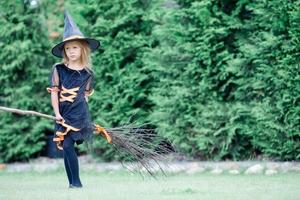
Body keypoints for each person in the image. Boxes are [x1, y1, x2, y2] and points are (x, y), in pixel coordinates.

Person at [47, 11, 100, 189]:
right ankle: (73, 183)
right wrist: (56, 113)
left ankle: (75, 183)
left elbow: (85, 97)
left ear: (83, 49)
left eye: (75, 47)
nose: (71, 51)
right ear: (64, 51)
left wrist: (86, 121)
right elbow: (54, 92)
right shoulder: (58, 69)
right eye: (68, 48)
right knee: (66, 145)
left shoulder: (88, 73)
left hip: (79, 114)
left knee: (69, 144)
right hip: (62, 113)